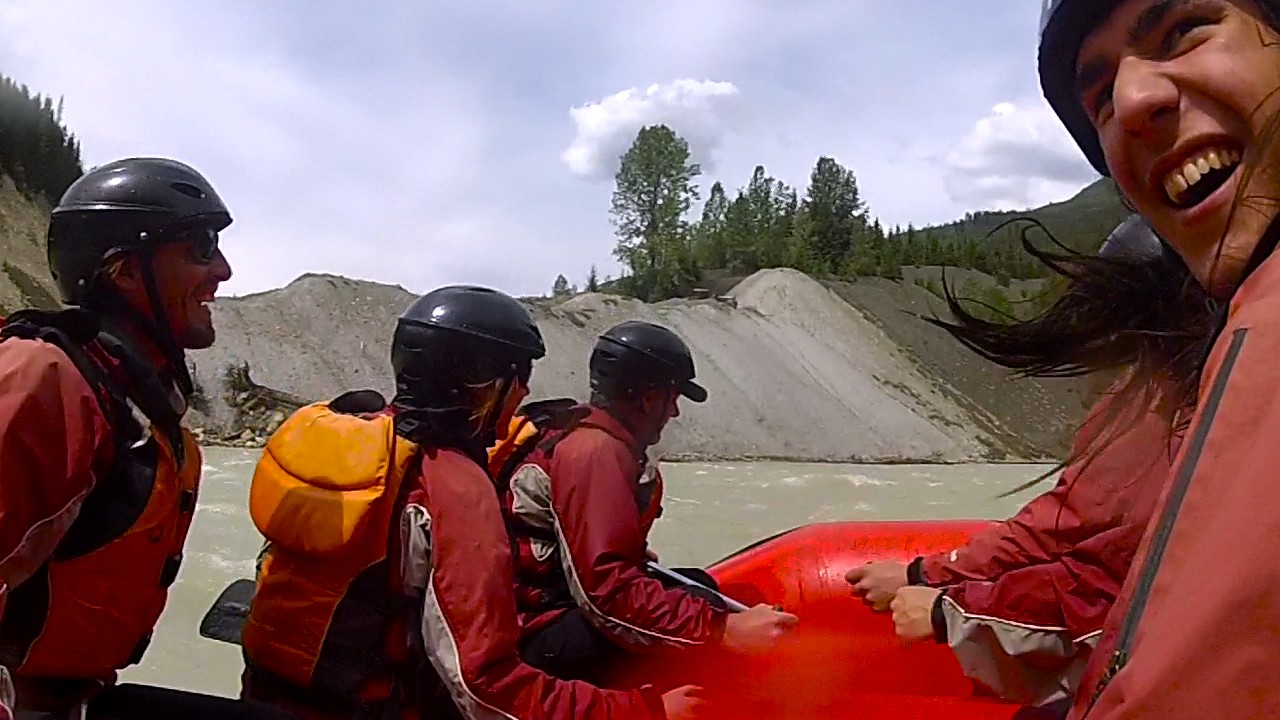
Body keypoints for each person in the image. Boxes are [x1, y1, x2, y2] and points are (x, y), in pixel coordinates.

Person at [239, 288, 703, 720]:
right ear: (483, 383)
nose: (524, 394)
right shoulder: (452, 486)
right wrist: (644, 710)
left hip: (267, 695)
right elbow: (485, 687)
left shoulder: (352, 432)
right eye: (519, 377)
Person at [1036, 1, 1280, 717]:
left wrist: (939, 583)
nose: (1131, 100)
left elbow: (1078, 554)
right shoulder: (1241, 336)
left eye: (1183, 31)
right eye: (1100, 95)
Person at [845, 216, 1194, 715]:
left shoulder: (1160, 405)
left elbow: (1097, 572)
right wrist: (933, 579)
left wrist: (942, 597)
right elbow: (1071, 538)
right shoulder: (1185, 391)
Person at [0, 158, 289, 719]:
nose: (224, 270)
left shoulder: (133, 399)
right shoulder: (44, 379)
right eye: (201, 246)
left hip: (77, 695)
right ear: (126, 272)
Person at [489, 320, 798, 683]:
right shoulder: (596, 452)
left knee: (699, 584)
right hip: (532, 634)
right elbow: (609, 594)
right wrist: (724, 630)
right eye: (673, 398)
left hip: (535, 611)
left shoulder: (580, 433)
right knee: (707, 617)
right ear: (649, 399)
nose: (675, 413)